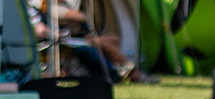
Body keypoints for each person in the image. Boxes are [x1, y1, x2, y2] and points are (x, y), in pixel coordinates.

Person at [28, 0, 157, 82]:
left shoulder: (52, 7)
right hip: (61, 41)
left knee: (114, 39)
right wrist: (57, 33)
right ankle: (132, 72)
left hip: (70, 37)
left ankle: (123, 69)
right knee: (104, 43)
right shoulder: (34, 8)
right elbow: (40, 30)